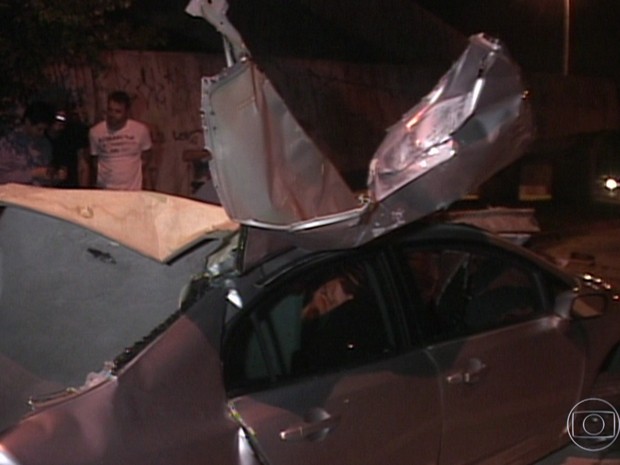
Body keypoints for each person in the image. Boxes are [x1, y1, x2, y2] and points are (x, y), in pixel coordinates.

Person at [88, 91, 152, 190]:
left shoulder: (140, 130)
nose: (112, 115)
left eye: (118, 111)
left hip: (132, 190)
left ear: (126, 112)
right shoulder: (95, 131)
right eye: (110, 110)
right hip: (105, 189)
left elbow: (146, 156)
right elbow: (94, 159)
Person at [0, 101, 60, 186]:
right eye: (39, 129)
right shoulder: (7, 144)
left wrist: (54, 176)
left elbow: (46, 178)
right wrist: (32, 174)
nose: (42, 133)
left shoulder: (45, 144)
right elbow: (2, 177)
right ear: (28, 122)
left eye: (45, 130)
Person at [47, 109, 89, 188]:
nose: (59, 123)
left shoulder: (74, 133)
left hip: (71, 185)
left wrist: (84, 191)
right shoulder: (41, 137)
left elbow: (82, 165)